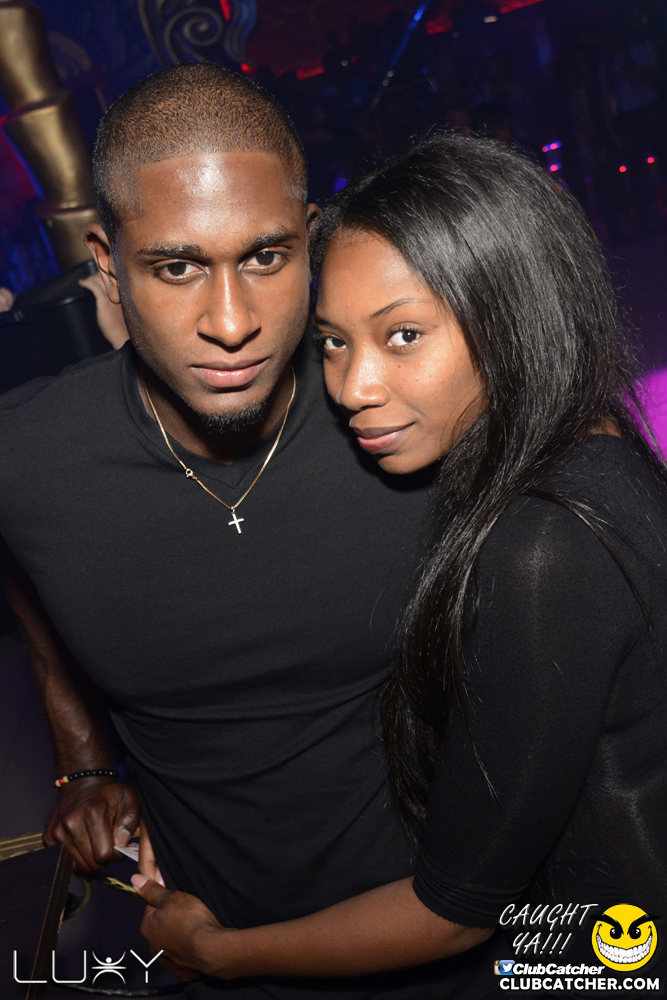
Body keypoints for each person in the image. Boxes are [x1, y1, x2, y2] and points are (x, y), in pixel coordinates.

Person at [1, 67, 502, 999]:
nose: (231, 324)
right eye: (176, 267)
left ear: (310, 240)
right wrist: (83, 763)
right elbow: (33, 573)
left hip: (450, 924)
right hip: (207, 940)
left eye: (266, 258)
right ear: (106, 263)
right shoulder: (26, 457)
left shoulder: (402, 416)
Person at [130, 134, 667, 988]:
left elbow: (453, 911)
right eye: (333, 342)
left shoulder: (544, 544)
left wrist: (215, 950)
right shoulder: (588, 447)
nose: (352, 388)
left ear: (512, 310)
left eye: (402, 335)